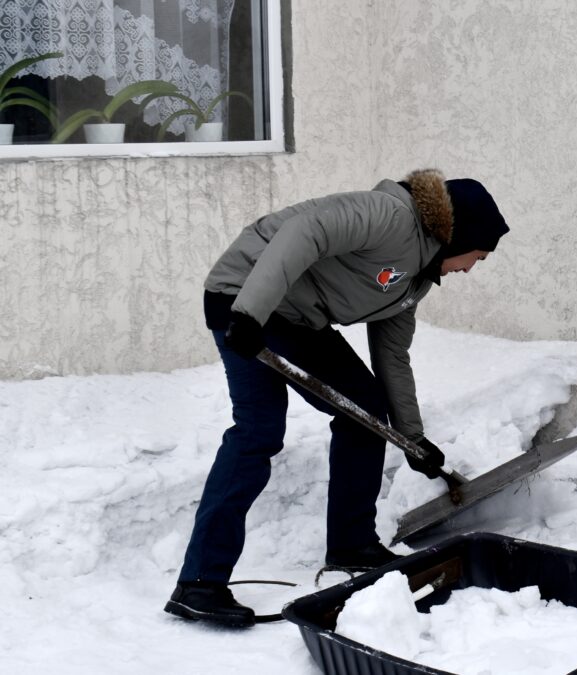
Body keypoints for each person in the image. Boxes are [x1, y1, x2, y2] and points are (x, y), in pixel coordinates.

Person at [165, 169, 510, 627]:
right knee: (258, 431)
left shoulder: (415, 280)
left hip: (295, 317)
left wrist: (413, 440)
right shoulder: (389, 215)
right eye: (478, 256)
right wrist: (250, 314)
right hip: (243, 299)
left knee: (366, 409)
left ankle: (351, 544)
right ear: (461, 235)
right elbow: (304, 231)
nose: (470, 268)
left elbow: (392, 356)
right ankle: (198, 584)